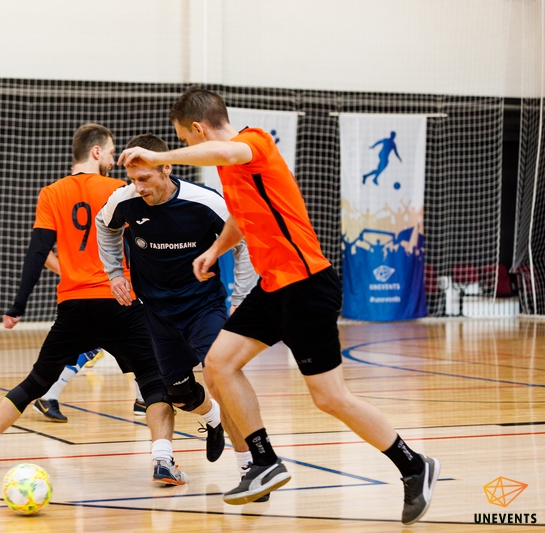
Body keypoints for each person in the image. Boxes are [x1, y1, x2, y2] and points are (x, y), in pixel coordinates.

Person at [117, 89, 440, 524]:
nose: (188, 148)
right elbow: (242, 217)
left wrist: (158, 156)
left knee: (330, 397)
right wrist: (214, 251)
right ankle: (264, 460)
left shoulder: (254, 142)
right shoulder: (232, 170)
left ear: (197, 129)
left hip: (306, 285)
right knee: (219, 365)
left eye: (186, 141)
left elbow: (225, 150)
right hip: (273, 287)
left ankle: (414, 465)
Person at [0, 123, 186, 486]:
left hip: (74, 305)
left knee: (36, 381)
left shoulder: (51, 193)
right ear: (96, 152)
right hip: (120, 301)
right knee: (153, 380)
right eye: (111, 152)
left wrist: (18, 305)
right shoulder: (120, 190)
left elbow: (38, 253)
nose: (114, 159)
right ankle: (162, 460)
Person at [96, 132, 265, 494]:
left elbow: (244, 239)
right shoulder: (124, 200)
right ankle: (213, 420)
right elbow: (104, 227)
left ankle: (250, 467)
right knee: (178, 394)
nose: (139, 187)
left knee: (221, 379)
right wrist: (114, 273)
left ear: (167, 168)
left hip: (203, 307)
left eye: (145, 178)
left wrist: (241, 296)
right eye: (133, 179)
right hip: (156, 313)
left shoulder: (204, 202)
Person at [32, 252, 146, 422]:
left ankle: (143, 400)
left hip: (117, 286)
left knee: (128, 342)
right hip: (100, 290)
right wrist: (70, 273)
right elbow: (42, 251)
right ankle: (47, 395)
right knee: (136, 341)